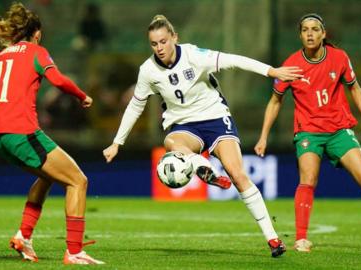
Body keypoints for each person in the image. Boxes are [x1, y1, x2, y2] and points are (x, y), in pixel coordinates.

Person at [103, 14, 303, 257]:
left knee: (238, 175)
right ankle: (199, 164)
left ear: (174, 37)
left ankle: (272, 239)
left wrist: (271, 71)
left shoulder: (194, 55)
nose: (159, 48)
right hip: (183, 125)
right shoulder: (148, 70)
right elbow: (136, 105)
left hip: (215, 118)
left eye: (164, 42)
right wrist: (117, 142)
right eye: (154, 44)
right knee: (171, 142)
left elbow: (233, 60)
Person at [0, 2, 103, 264]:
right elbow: (58, 80)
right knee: (78, 181)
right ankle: (74, 251)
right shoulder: (37, 52)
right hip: (22, 132)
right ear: (36, 33)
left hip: (0, 137)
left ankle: (24, 236)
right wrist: (82, 96)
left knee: (47, 177)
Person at [254, 13, 361, 252]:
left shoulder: (339, 58)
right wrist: (264, 136)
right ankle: (301, 238)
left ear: (323, 33)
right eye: (305, 29)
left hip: (339, 130)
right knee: (307, 180)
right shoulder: (291, 65)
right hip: (308, 133)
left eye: (315, 29)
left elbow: (355, 88)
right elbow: (275, 101)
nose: (309, 33)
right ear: (300, 34)